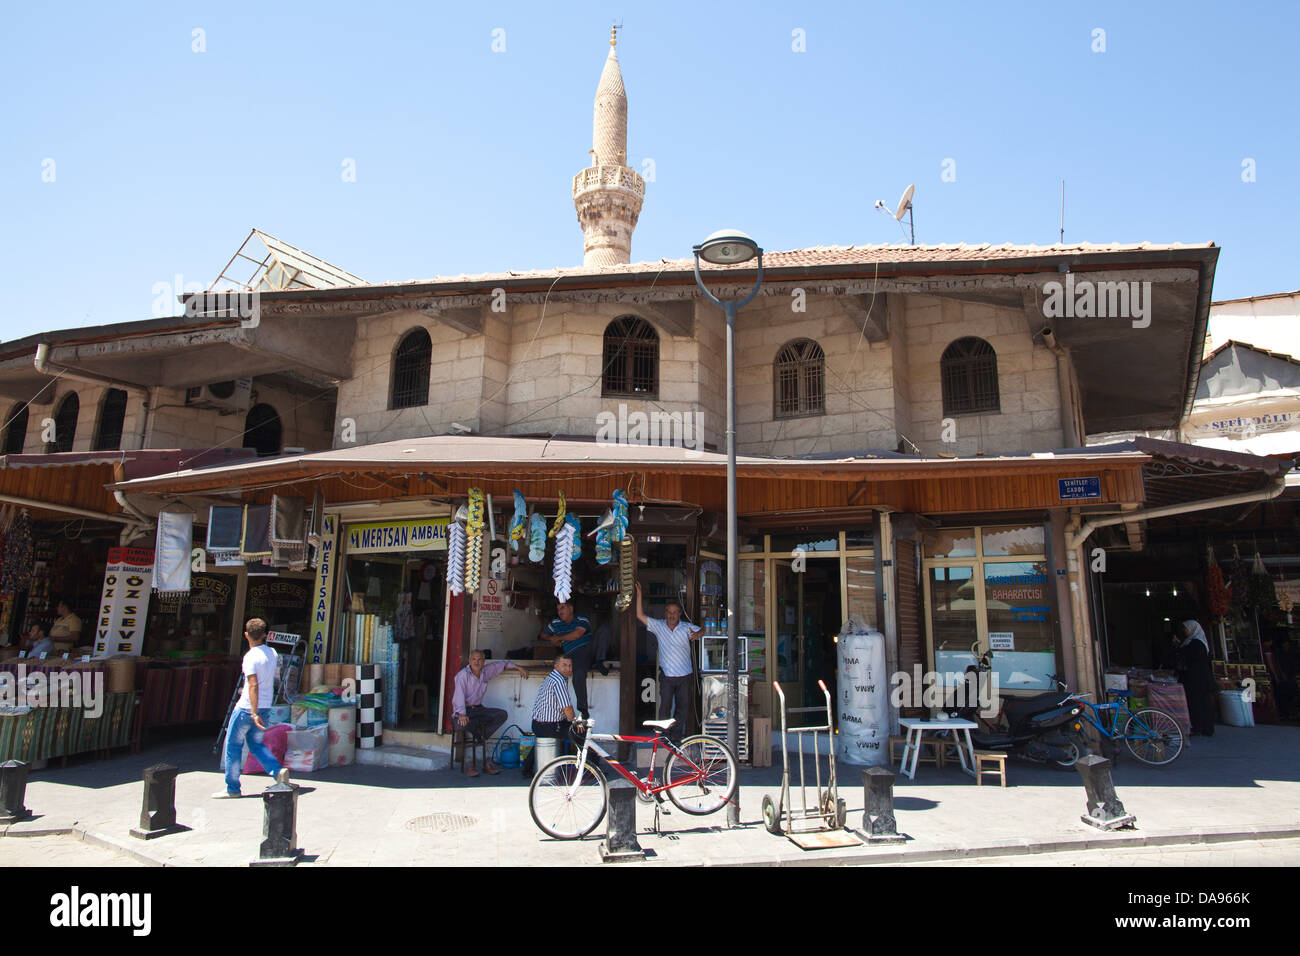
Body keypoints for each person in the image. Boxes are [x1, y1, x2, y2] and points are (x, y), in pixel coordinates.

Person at [216, 618, 289, 798]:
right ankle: (277, 770)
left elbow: (253, 684)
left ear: (246, 635)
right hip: (265, 706)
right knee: (256, 744)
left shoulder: (250, 657)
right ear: (264, 634)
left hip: (247, 708)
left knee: (234, 747)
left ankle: (232, 788)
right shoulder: (272, 652)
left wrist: (253, 712)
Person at [634, 582, 702, 743]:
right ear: (665, 613)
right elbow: (639, 615)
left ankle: (676, 738)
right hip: (667, 675)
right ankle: (664, 737)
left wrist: (699, 634)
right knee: (664, 707)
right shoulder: (658, 626)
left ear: (680, 614)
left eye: (675, 612)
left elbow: (702, 630)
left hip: (685, 675)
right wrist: (639, 595)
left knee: (682, 709)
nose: (672, 615)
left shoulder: (687, 627)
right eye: (669, 612)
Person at [450, 649, 523, 777]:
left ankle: (479, 735)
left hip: (478, 709)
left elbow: (501, 664)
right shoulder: (463, 676)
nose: (476, 662)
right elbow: (458, 696)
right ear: (469, 661)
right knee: (462, 724)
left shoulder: (485, 671)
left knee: (501, 715)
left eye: (479, 660)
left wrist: (518, 667)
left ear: (483, 662)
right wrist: (461, 713)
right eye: (474, 659)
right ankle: (470, 762)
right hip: (463, 711)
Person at [539, 602, 594, 718]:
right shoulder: (555, 623)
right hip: (570, 654)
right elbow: (543, 635)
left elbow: (577, 634)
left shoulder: (581, 618)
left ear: (571, 608)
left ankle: (583, 709)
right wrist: (552, 639)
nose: (560, 611)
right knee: (561, 673)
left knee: (578, 672)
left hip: (586, 650)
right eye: (558, 609)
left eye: (563, 608)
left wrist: (558, 638)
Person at [1174, 619, 1216, 737]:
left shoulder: (1196, 643)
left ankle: (1201, 727)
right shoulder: (1193, 642)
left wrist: (1177, 646)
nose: (1184, 631)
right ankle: (1202, 726)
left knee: (1198, 702)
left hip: (1198, 678)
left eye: (1186, 628)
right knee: (1200, 702)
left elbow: (1188, 656)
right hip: (1198, 678)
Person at [530, 653, 576, 753]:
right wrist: (576, 722)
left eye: (570, 665)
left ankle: (527, 767)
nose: (568, 669)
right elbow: (567, 708)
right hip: (548, 726)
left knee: (570, 729)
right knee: (580, 734)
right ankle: (589, 766)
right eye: (564, 665)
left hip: (539, 724)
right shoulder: (558, 680)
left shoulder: (555, 677)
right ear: (556, 666)